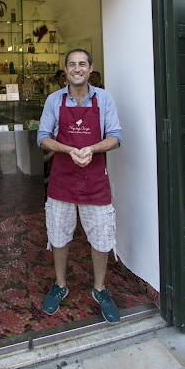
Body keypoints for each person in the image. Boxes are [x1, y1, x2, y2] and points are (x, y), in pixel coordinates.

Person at [37, 49, 122, 323]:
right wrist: (68, 149)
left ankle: (99, 289)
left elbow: (116, 137)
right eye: (72, 64)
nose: (77, 68)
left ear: (90, 68)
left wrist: (91, 149)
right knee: (59, 235)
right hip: (62, 180)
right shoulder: (54, 100)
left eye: (82, 64)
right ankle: (60, 285)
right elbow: (42, 138)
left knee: (101, 237)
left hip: (95, 181)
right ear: (66, 70)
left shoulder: (104, 98)